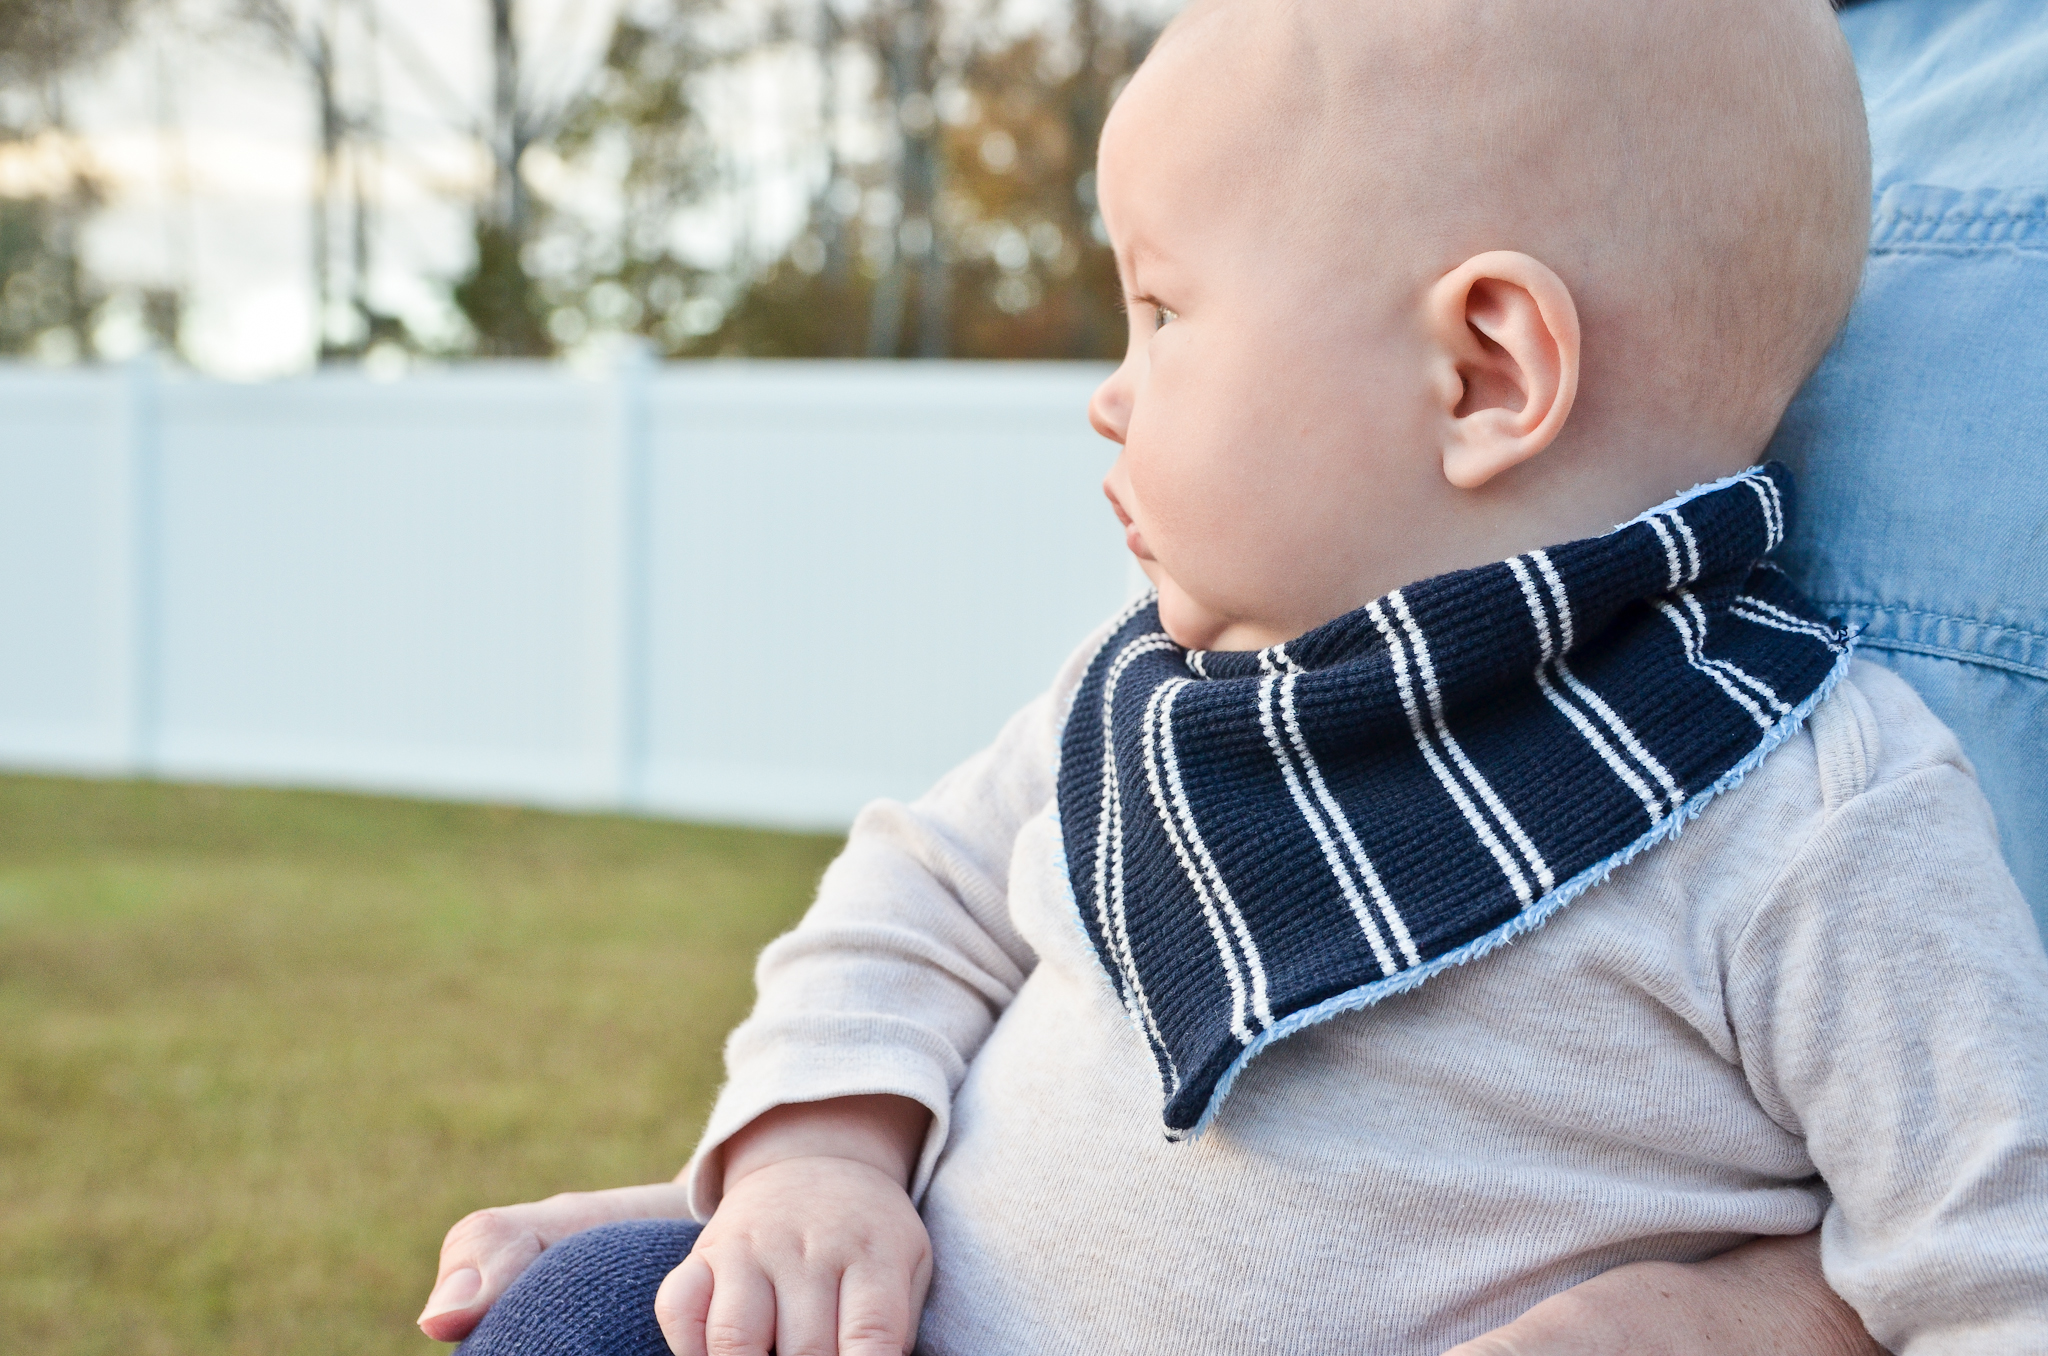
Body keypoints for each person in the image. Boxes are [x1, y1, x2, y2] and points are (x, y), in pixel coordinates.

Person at [421, 1, 2048, 1352]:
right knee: (583, 1312)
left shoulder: (1805, 817)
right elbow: (913, 899)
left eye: (1160, 310)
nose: (1108, 398)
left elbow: (1992, 1272)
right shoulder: (1153, 690)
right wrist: (821, 1161)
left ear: (1483, 369)